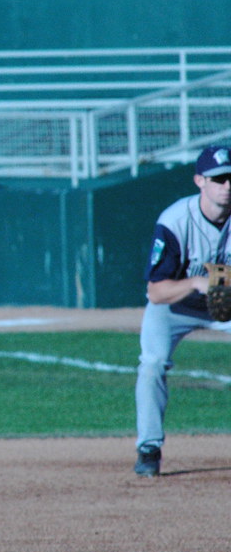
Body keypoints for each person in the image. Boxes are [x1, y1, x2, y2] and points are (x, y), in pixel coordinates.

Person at [134, 144, 231, 477]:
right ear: (199, 181)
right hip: (176, 306)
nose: (227, 185)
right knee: (152, 364)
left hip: (227, 307)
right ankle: (148, 450)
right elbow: (156, 291)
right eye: (219, 178)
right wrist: (194, 283)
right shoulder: (175, 220)